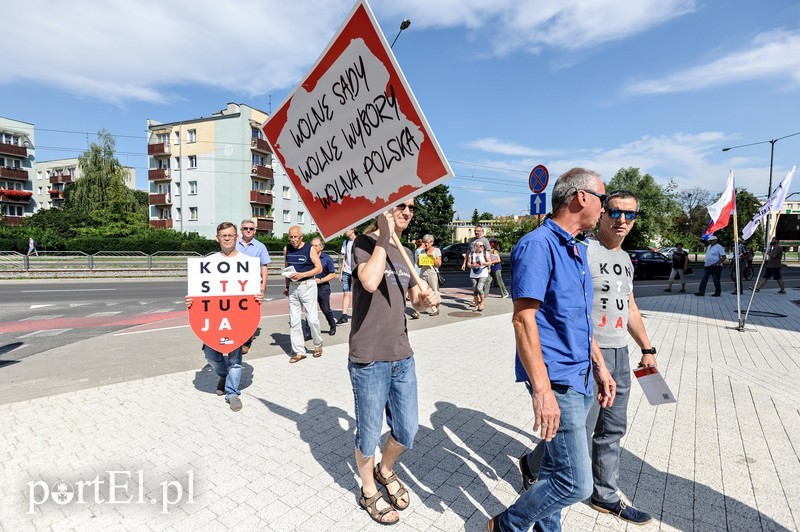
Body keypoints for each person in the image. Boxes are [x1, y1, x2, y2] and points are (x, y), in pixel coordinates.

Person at [489, 168, 616, 532]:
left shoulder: (577, 248)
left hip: (583, 373)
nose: (605, 210)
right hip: (556, 377)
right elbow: (523, 321)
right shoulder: (537, 245)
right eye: (603, 201)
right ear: (581, 198)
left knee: (554, 470)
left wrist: (601, 366)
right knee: (576, 482)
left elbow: (578, 319)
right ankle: (506, 525)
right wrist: (542, 391)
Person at [519, 190, 655, 525]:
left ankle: (605, 495)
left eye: (631, 215)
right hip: (588, 354)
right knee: (579, 431)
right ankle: (535, 470)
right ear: (604, 212)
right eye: (615, 211)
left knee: (613, 429)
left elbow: (630, 306)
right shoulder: (582, 250)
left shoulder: (625, 259)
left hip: (619, 352)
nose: (622, 220)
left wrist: (647, 348)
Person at [348, 200, 440, 526]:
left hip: (402, 354)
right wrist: (384, 239)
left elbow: (413, 298)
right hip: (369, 357)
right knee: (369, 432)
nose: (407, 212)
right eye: (399, 206)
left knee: (407, 429)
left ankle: (385, 469)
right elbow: (370, 281)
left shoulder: (409, 254)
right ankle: (369, 490)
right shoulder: (362, 243)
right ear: (383, 209)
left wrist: (426, 298)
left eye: (412, 208)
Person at [185, 222, 264, 412]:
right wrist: (191, 301)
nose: (227, 238)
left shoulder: (246, 261)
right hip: (214, 319)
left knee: (236, 359)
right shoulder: (209, 262)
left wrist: (258, 296)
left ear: (236, 237)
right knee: (211, 355)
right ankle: (224, 375)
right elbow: (199, 291)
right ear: (217, 238)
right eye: (223, 235)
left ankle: (232, 392)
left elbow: (253, 291)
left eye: (230, 235)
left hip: (237, 318)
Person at [284, 226, 323, 363]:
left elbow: (319, 268)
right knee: (294, 321)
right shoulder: (286, 249)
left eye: (296, 237)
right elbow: (286, 267)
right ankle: (299, 351)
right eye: (291, 237)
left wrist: (302, 275)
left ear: (301, 237)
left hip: (308, 285)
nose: (293, 239)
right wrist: (287, 286)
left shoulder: (310, 249)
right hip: (293, 287)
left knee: (312, 319)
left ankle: (318, 344)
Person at [236, 219, 270, 354]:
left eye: (251, 228)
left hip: (253, 283)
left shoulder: (260, 247)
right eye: (245, 228)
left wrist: (263, 284)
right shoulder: (234, 245)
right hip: (236, 284)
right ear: (241, 230)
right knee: (237, 312)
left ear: (255, 230)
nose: (248, 230)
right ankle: (238, 336)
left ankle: (246, 341)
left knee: (250, 312)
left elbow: (264, 266)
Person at [302, 237, 338, 338]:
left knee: (325, 309)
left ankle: (332, 325)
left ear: (321, 247)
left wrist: (321, 280)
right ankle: (308, 332)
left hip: (322, 287)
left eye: (316, 245)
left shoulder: (327, 259)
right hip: (310, 288)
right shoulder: (308, 257)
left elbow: (332, 274)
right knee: (309, 310)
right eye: (312, 245)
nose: (313, 247)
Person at [462, 225, 492, 306]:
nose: (476, 232)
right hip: (473, 264)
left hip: (483, 266)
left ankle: (480, 301)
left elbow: (489, 252)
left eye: (478, 231)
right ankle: (476, 300)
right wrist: (464, 263)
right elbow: (468, 251)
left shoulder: (484, 240)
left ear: (482, 231)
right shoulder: (472, 240)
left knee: (480, 285)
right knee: (475, 286)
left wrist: (489, 265)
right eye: (475, 230)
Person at [417, 234, 442, 316]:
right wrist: (419, 259)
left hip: (432, 273)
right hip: (423, 273)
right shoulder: (422, 251)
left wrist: (432, 258)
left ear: (431, 242)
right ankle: (417, 311)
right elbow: (419, 265)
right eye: (424, 242)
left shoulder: (436, 250)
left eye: (427, 242)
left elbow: (439, 264)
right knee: (421, 291)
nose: (425, 244)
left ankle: (436, 307)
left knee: (434, 291)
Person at [337, 228, 356, 324]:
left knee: (357, 294)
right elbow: (344, 258)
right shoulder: (346, 242)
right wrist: (341, 272)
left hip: (356, 271)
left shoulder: (359, 241)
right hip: (346, 271)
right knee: (346, 293)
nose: (345, 232)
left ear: (352, 230)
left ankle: (358, 315)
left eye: (347, 230)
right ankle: (344, 316)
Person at [467, 241, 490, 311]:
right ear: (475, 246)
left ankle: (482, 303)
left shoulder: (485, 253)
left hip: (483, 273)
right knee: (475, 290)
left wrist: (483, 263)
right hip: (473, 273)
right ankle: (476, 305)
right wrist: (472, 265)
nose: (482, 247)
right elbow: (468, 263)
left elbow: (490, 262)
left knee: (479, 288)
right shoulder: (471, 254)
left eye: (482, 246)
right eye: (480, 246)